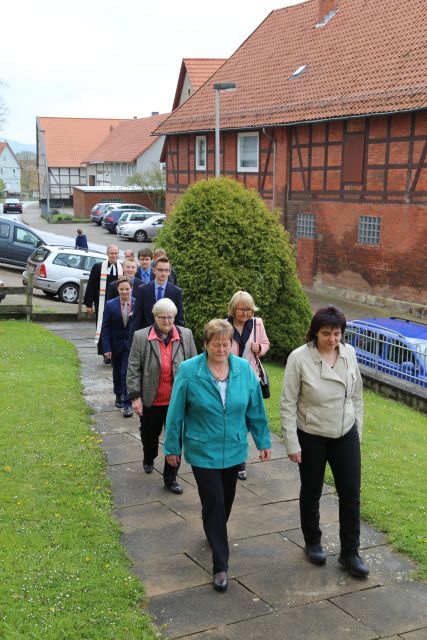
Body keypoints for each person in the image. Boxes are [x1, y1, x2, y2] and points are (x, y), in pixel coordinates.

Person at [164, 319, 272, 592]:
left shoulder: (244, 369)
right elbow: (175, 412)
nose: (222, 348)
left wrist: (263, 441)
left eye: (226, 344)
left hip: (234, 448)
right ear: (205, 344)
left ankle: (213, 527)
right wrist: (171, 447)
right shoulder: (189, 371)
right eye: (216, 344)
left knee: (224, 502)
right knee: (214, 500)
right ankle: (221, 566)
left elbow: (255, 408)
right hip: (202, 450)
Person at [280, 306, 368, 578]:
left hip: (345, 433)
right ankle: (313, 542)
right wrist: (292, 444)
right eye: (326, 334)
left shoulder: (349, 354)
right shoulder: (299, 358)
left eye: (337, 334)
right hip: (312, 434)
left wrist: (357, 431)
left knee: (351, 494)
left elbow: (357, 396)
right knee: (312, 490)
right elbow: (288, 403)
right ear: (315, 332)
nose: (332, 339)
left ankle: (350, 552)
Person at [127, 298, 197, 493]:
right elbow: (133, 368)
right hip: (152, 398)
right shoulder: (141, 336)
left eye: (170, 317)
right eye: (162, 317)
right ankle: (149, 457)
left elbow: (194, 365)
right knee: (149, 435)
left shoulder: (186, 335)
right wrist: (135, 397)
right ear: (155, 317)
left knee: (175, 439)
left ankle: (170, 478)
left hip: (177, 401)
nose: (167, 321)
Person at [227, 291, 270, 480]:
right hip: (228, 379)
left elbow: (265, 343)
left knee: (246, 420)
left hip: (250, 379)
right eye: (242, 309)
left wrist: (259, 348)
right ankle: (234, 458)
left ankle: (240, 462)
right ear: (233, 309)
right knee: (233, 418)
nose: (246, 313)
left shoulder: (257, 324)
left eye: (249, 309)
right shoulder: (224, 325)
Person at [128, 255, 184, 345]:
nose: (163, 273)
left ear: (170, 272)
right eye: (160, 270)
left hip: (168, 340)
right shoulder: (143, 290)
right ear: (154, 270)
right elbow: (136, 318)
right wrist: (132, 343)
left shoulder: (176, 292)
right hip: (146, 339)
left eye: (166, 270)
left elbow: (179, 319)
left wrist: (178, 342)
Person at [101, 276, 135, 417]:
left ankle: (128, 404)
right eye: (122, 289)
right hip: (115, 345)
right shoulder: (110, 305)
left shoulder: (137, 304)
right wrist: (107, 348)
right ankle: (118, 394)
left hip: (131, 345)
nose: (124, 292)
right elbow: (105, 327)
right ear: (117, 290)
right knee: (117, 372)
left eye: (127, 289)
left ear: (131, 289)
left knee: (125, 372)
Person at [83, 244, 123, 362]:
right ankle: (105, 353)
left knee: (115, 327)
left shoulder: (122, 268)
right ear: (107, 254)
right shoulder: (98, 267)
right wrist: (88, 304)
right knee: (103, 327)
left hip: (117, 303)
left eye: (116, 253)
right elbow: (91, 285)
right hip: (102, 303)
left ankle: (115, 352)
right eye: (112, 253)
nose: (114, 256)